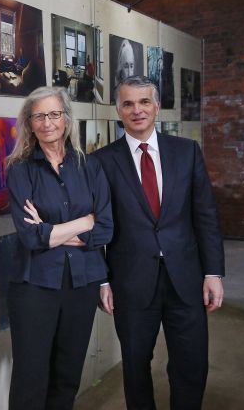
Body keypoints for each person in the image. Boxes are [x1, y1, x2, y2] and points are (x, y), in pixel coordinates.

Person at [95, 75, 224, 410]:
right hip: (131, 281)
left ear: (157, 106)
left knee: (191, 364)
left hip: (186, 278)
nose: (137, 110)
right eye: (128, 104)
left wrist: (213, 273)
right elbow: (97, 226)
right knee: (136, 366)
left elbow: (205, 215)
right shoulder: (102, 162)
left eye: (144, 102)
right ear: (118, 111)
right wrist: (104, 279)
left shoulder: (186, 151)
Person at [5, 86, 113, 409]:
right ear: (29, 122)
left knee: (67, 377)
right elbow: (30, 237)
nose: (47, 122)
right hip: (34, 286)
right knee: (31, 379)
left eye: (54, 114)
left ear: (66, 119)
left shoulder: (90, 166)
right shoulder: (20, 169)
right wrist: (84, 221)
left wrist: (51, 230)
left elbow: (106, 227)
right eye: (39, 116)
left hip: (82, 284)